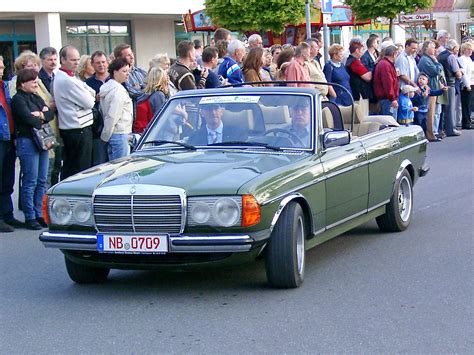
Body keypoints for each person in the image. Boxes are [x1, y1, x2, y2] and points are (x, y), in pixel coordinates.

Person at [11, 69, 54, 230]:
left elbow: (50, 114)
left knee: (42, 180)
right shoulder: (18, 99)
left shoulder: (36, 97)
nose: (36, 84)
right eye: (33, 81)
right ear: (23, 83)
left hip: (42, 141)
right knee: (30, 180)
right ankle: (30, 216)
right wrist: (39, 116)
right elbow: (28, 119)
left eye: (37, 81)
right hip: (27, 141)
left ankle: (39, 213)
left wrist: (41, 115)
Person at [53, 45, 96, 179]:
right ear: (63, 60)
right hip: (78, 129)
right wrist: (88, 96)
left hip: (78, 128)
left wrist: (88, 95)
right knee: (80, 169)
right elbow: (89, 102)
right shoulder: (66, 80)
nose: (76, 62)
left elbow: (92, 92)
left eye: (78, 59)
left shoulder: (71, 77)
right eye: (73, 60)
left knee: (75, 166)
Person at [0, 56, 22, 232]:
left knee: (8, 179)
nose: (1, 70)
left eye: (1, 67)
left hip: (9, 138)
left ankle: (8, 215)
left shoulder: (5, 87)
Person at [99, 58, 133, 161]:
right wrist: (105, 136)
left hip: (115, 133)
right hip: (120, 133)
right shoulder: (118, 91)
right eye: (124, 71)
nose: (127, 74)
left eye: (128, 71)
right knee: (120, 168)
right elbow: (112, 115)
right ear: (115, 72)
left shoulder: (108, 87)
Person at [417, 40, 446, 141]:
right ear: (427, 49)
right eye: (432, 47)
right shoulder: (425, 60)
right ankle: (430, 134)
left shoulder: (429, 59)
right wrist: (437, 63)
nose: (435, 49)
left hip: (434, 88)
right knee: (430, 114)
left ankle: (433, 132)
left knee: (435, 112)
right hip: (429, 89)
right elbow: (436, 71)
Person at [85, 50, 110, 166]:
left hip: (115, 129)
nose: (101, 65)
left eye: (103, 62)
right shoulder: (87, 84)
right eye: (98, 63)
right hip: (97, 130)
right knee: (99, 164)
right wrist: (94, 99)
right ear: (92, 64)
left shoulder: (114, 80)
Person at [438, 39, 463, 137]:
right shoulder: (451, 57)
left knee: (443, 107)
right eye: (457, 48)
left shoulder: (440, 55)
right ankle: (451, 129)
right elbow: (457, 73)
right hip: (450, 83)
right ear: (453, 48)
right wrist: (460, 73)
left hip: (442, 83)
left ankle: (443, 128)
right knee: (450, 107)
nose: (458, 50)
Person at [113, 43, 148, 110]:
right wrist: (146, 89)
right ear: (119, 58)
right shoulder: (118, 76)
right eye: (128, 55)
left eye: (132, 54)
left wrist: (140, 86)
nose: (132, 57)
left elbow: (152, 87)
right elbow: (132, 93)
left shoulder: (142, 72)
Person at [137, 66, 169, 133]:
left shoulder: (146, 94)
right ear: (161, 79)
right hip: (158, 133)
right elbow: (161, 119)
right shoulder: (159, 95)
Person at [345, 40, 372, 116]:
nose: (363, 52)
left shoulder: (353, 61)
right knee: (362, 115)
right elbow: (367, 77)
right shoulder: (354, 62)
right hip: (359, 93)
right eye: (362, 50)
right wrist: (373, 70)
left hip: (358, 92)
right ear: (357, 50)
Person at [373, 45, 400, 119]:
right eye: (397, 55)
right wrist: (393, 98)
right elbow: (388, 84)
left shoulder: (386, 64)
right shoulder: (385, 65)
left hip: (388, 99)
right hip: (387, 99)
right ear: (394, 54)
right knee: (390, 123)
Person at [458, 41, 473, 129]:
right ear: (464, 50)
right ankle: (466, 122)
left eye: (471, 49)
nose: (470, 51)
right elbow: (463, 73)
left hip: (471, 82)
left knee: (469, 104)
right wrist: (467, 84)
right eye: (469, 49)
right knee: (466, 104)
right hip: (465, 84)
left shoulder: (469, 59)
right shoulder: (462, 59)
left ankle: (468, 121)